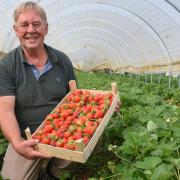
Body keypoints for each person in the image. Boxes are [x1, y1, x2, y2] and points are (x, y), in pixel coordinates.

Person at [0, 1, 76, 180]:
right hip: (27, 137)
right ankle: (35, 162)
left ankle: (54, 171)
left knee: (83, 143)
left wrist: (106, 105)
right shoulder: (6, 66)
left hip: (62, 132)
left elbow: (76, 99)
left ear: (46, 28)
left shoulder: (62, 60)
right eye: (24, 25)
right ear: (16, 29)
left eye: (36, 24)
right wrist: (18, 143)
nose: (31, 30)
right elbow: (5, 110)